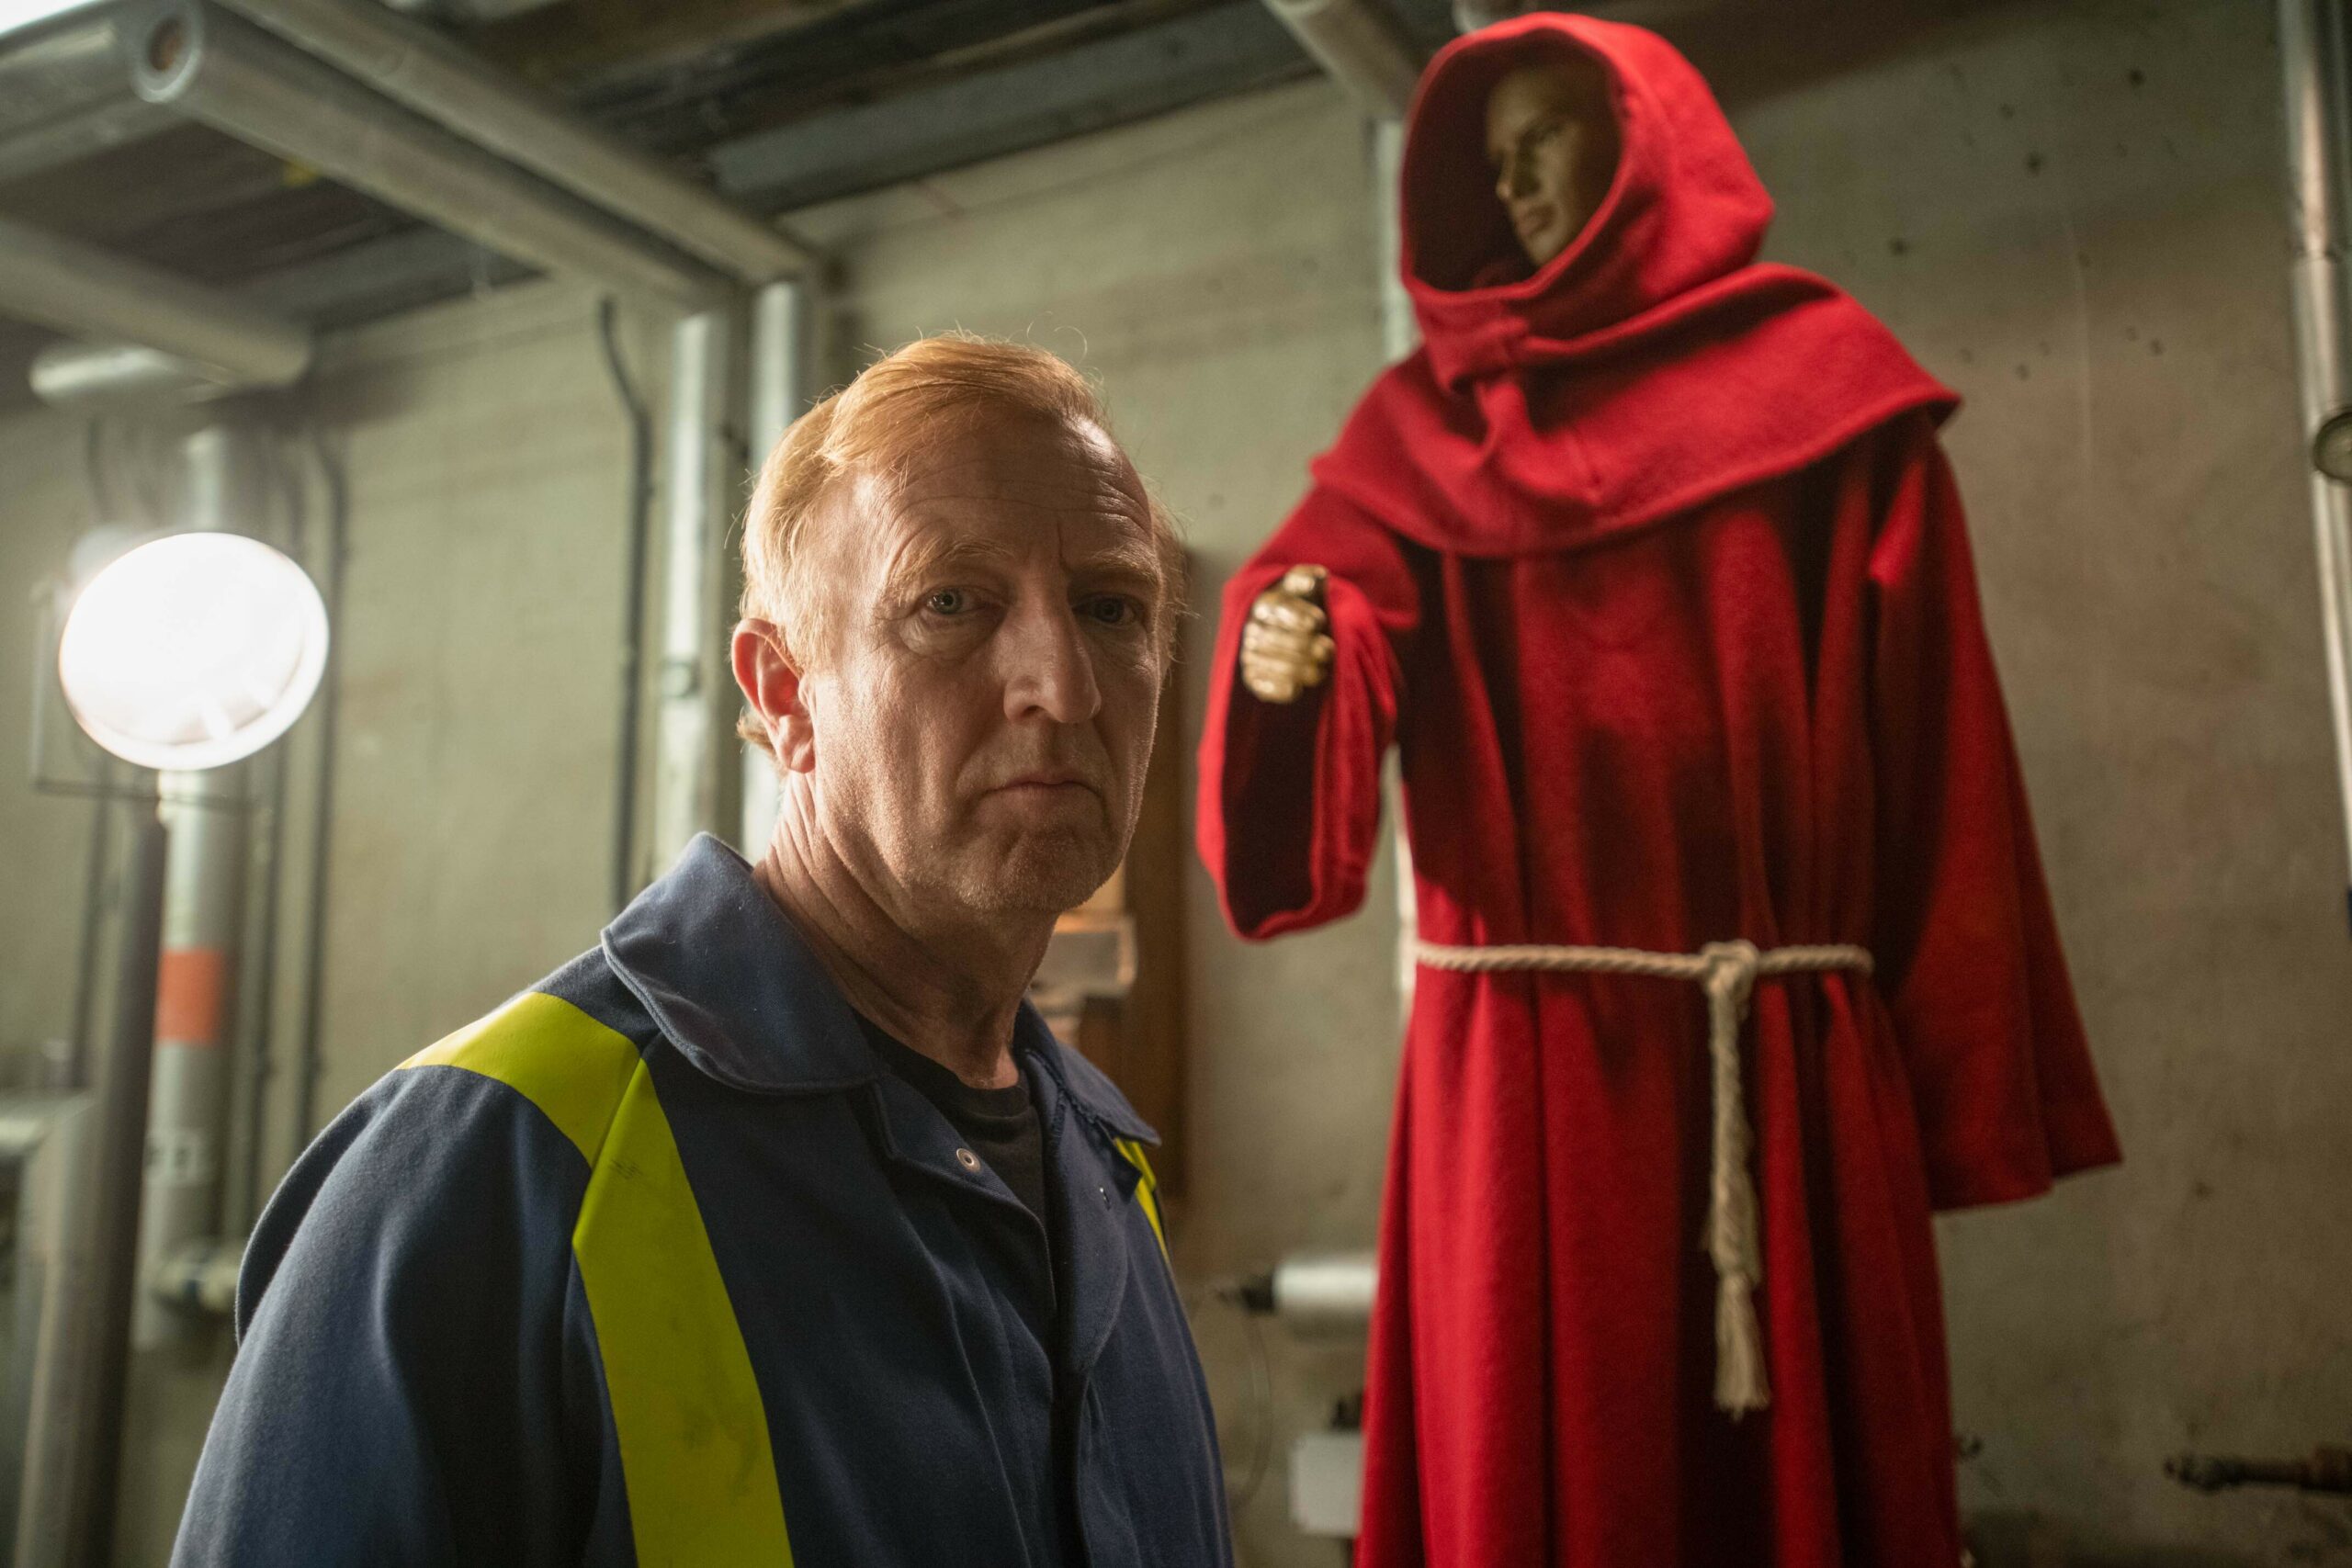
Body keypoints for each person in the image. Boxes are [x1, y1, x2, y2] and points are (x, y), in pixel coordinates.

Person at [1197, 14, 2120, 1568]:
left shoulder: (1829, 393)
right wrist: (1295, 656)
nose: (1519, 185)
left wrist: (1948, 1091)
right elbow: (1327, 598)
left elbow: (1940, 771)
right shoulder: (1420, 432)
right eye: (1492, 164)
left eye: (1547, 138)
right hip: (1521, 1065)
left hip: (1781, 1049)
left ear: (1652, 152)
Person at [175, 334, 1231, 1568]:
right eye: (952, 604)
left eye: (1112, 608)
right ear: (785, 697)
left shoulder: (1102, 1172)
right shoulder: (497, 1157)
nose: (1064, 684)